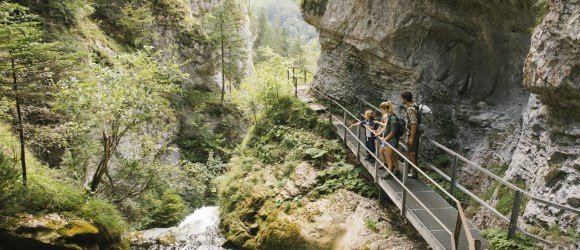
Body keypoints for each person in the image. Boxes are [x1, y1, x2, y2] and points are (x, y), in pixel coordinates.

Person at [374, 101, 400, 178]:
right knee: (392, 155)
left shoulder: (392, 118)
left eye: (382, 109)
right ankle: (397, 170)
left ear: (385, 108)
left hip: (391, 140)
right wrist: (380, 133)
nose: (382, 111)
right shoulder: (389, 116)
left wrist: (386, 138)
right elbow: (386, 127)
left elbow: (393, 131)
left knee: (389, 155)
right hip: (389, 139)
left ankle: (389, 172)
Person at [401, 91, 419, 178]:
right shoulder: (415, 104)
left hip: (412, 134)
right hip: (415, 134)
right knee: (410, 152)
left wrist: (411, 137)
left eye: (402, 98)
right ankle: (408, 169)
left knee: (410, 153)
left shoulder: (410, 109)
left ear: (404, 99)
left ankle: (414, 173)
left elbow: (414, 123)